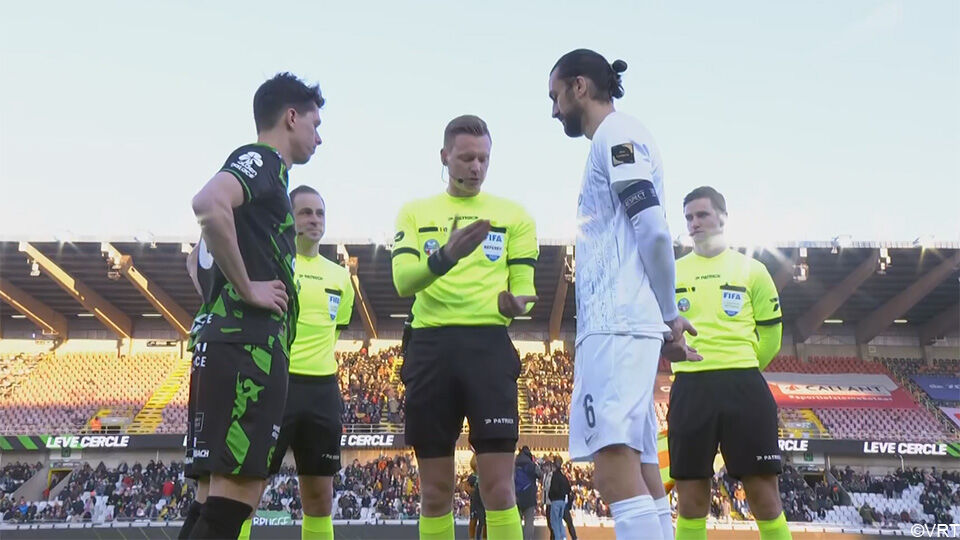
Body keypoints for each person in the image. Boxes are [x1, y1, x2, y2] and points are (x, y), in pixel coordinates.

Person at [548, 49, 697, 539]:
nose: (554, 110)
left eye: (555, 96)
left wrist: (669, 314)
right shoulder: (618, 137)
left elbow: (651, 227)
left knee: (613, 473)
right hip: (626, 326)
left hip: (615, 326)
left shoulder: (617, 134)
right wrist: (662, 320)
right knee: (643, 472)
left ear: (580, 87)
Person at [179, 72, 323, 539]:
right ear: (291, 117)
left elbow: (195, 261)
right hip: (249, 349)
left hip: (224, 345)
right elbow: (207, 203)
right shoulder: (262, 161)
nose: (319, 137)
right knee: (233, 499)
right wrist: (247, 289)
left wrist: (223, 293)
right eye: (316, 124)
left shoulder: (259, 184)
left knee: (211, 499)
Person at [391, 114, 539, 539]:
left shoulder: (514, 215)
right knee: (435, 492)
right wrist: (445, 256)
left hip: (488, 349)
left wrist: (516, 304)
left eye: (484, 159)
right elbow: (403, 282)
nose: (476, 167)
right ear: (445, 156)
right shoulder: (415, 212)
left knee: (499, 490)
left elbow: (524, 289)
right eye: (466, 158)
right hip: (431, 348)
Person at [668, 186, 790, 540]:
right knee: (690, 499)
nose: (694, 223)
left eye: (702, 215)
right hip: (690, 387)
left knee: (764, 496)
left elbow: (771, 337)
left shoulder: (753, 270)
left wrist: (741, 367)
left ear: (723, 217)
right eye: (688, 217)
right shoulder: (670, 272)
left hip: (743, 387)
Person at [237, 185, 354, 540]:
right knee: (248, 490)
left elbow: (337, 328)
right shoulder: (271, 265)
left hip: (322, 390)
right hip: (276, 383)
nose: (314, 219)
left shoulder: (340, 276)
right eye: (305, 212)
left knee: (319, 497)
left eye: (319, 213)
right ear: (289, 218)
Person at [514, 446, 540, 539]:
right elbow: (540, 474)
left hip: (516, 496)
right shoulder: (532, 465)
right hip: (529, 497)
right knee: (529, 523)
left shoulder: (514, 464)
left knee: (517, 522)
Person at [548, 458, 571, 540]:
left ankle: (558, 538)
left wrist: (550, 496)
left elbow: (553, 489)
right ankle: (563, 537)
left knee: (554, 522)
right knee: (560, 520)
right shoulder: (563, 477)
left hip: (555, 501)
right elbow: (568, 489)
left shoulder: (554, 476)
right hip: (562, 501)